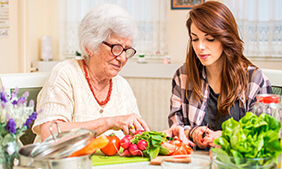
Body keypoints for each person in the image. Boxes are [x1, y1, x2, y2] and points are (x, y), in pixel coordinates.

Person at [32, 3, 150, 142]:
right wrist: (108, 122)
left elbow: (137, 138)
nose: (123, 58)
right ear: (90, 46)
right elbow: (49, 134)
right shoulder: (65, 74)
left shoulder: (122, 86)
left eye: (127, 50)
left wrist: (165, 137)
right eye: (116, 48)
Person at [167, 1, 273, 149]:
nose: (200, 47)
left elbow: (266, 135)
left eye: (209, 39)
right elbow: (175, 126)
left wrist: (228, 137)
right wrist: (192, 132)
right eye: (195, 38)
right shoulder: (183, 76)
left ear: (226, 38)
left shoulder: (254, 80)